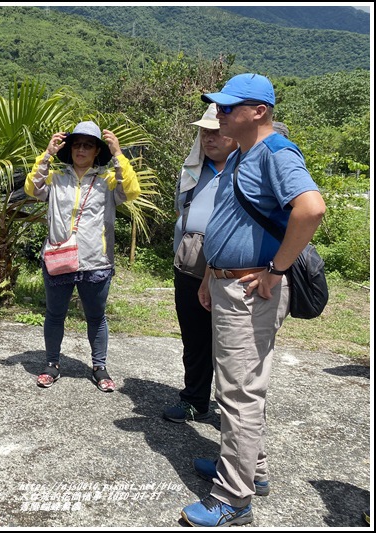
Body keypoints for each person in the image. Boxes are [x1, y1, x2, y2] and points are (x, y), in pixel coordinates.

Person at [180, 73, 326, 527]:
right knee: (239, 385)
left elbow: (311, 208)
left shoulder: (276, 152)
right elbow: (227, 220)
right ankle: (251, 470)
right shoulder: (243, 154)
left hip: (250, 288)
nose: (218, 114)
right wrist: (208, 274)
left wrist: (277, 270)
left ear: (258, 111)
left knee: (239, 392)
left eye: (227, 107)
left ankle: (233, 498)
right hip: (226, 281)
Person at [24, 121, 140, 392]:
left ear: (97, 150)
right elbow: (32, 187)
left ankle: (99, 366)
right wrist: (48, 154)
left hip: (95, 260)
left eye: (88, 145)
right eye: (77, 144)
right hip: (58, 257)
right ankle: (52, 363)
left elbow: (132, 190)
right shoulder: (56, 178)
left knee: (96, 316)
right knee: (55, 314)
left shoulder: (109, 181)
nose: (81, 149)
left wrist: (119, 153)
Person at [163, 103, 237, 424]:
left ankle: (233, 412)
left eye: (217, 131)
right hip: (189, 265)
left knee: (231, 344)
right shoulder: (192, 170)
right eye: (205, 131)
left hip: (230, 268)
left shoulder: (244, 170)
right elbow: (182, 211)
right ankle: (194, 400)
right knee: (194, 340)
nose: (209, 138)